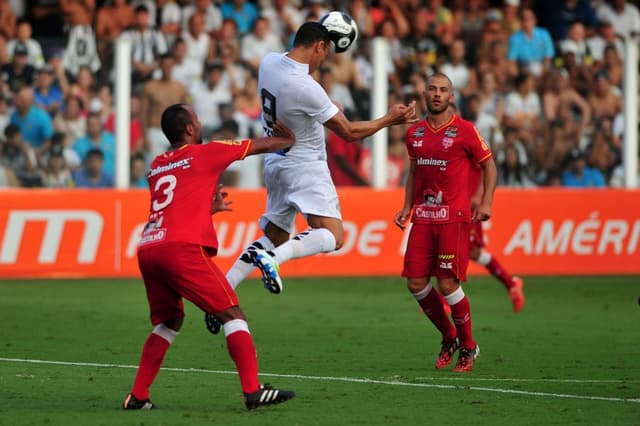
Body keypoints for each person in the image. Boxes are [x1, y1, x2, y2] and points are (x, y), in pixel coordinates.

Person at [215, 22, 416, 307]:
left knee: (275, 234)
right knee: (334, 236)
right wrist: (388, 119)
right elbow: (348, 132)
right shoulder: (307, 88)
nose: (324, 59)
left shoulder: (269, 62)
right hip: (305, 164)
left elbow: (298, 102)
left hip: (275, 162)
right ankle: (275, 259)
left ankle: (222, 291)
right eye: (325, 52)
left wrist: (326, 103)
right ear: (319, 46)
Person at [123, 103, 296, 411]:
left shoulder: (157, 164)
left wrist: (207, 209)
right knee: (232, 314)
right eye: (197, 119)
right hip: (181, 249)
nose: (200, 123)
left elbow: (175, 201)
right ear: (189, 129)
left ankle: (138, 396)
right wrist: (289, 139)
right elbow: (260, 145)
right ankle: (252, 390)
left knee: (169, 321)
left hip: (149, 247)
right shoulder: (205, 152)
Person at [393, 73, 497, 373]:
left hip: (454, 219)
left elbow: (489, 165)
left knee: (447, 283)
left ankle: (468, 346)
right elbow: (414, 173)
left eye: (443, 90)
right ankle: (449, 336)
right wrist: (407, 207)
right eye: (432, 89)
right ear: (424, 94)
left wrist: (486, 201)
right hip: (423, 219)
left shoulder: (465, 131)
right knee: (415, 283)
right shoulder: (415, 134)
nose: (437, 94)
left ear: (451, 97)